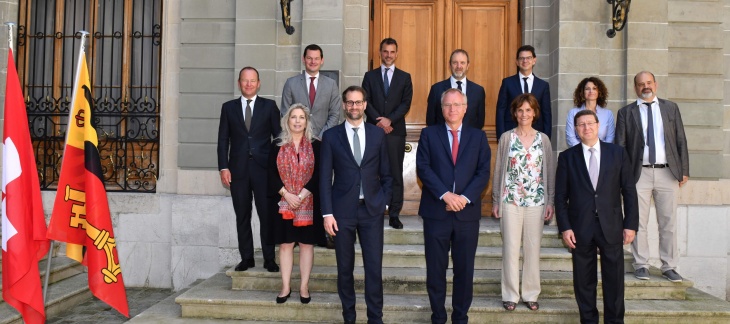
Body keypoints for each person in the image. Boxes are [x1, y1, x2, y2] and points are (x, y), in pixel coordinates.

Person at [555, 109, 639, 323]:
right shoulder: (567, 157)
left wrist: (631, 225)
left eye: (590, 123)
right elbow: (560, 197)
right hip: (580, 227)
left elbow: (628, 191)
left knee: (614, 280)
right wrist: (565, 228)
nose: (586, 128)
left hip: (611, 226)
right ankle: (589, 320)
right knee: (584, 281)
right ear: (576, 129)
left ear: (598, 125)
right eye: (581, 125)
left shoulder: (617, 153)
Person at [417, 88, 491, 324]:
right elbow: (424, 169)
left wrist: (464, 198)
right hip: (436, 213)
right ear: (442, 109)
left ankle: (460, 317)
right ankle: (438, 316)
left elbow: (483, 173)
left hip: (467, 215)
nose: (452, 109)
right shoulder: (429, 134)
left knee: (464, 271)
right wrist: (446, 195)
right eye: (448, 105)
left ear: (465, 108)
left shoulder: (478, 137)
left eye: (457, 105)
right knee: (436, 271)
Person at [320, 86, 392, 324]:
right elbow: (324, 178)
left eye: (358, 102)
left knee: (374, 269)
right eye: (349, 102)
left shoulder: (377, 134)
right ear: (343, 105)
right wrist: (327, 214)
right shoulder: (331, 137)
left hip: (371, 211)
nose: (354, 107)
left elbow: (387, 174)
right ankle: (348, 317)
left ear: (364, 105)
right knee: (345, 269)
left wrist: (384, 202)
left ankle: (375, 318)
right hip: (342, 213)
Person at [615, 71, 689, 283]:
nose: (645, 87)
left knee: (668, 222)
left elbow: (681, 140)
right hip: (639, 174)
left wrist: (684, 169)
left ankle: (670, 266)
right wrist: (622, 177)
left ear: (655, 84)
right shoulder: (626, 113)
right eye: (640, 84)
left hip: (668, 172)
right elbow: (620, 147)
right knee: (638, 221)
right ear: (635, 87)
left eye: (648, 83)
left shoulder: (670, 108)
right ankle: (641, 264)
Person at [491, 93, 555, 312]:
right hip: (511, 200)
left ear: (535, 113)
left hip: (536, 202)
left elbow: (549, 172)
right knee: (510, 248)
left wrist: (550, 201)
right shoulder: (506, 138)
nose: (524, 114)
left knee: (532, 249)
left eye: (528, 110)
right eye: (520, 110)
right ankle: (510, 294)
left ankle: (530, 293)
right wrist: (496, 200)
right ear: (515, 113)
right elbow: (499, 169)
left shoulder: (543, 139)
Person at [217, 66, 281, 272]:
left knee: (267, 215)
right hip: (238, 171)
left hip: (264, 171)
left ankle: (269, 258)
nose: (248, 84)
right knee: (242, 215)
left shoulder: (269, 106)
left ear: (258, 83)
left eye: (252, 80)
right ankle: (247, 258)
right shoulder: (228, 108)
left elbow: (279, 138)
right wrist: (223, 167)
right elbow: (222, 140)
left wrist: (275, 165)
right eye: (245, 80)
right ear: (239, 83)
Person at [267, 104, 326, 304]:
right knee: (285, 245)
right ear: (287, 120)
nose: (298, 121)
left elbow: (320, 173)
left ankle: (304, 287)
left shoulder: (316, 145)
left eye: (302, 117)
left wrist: (301, 194)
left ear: (307, 121)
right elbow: (270, 174)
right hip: (284, 204)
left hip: (309, 202)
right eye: (294, 117)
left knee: (306, 245)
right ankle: (285, 286)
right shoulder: (277, 145)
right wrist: (286, 194)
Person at [362, 37, 413, 229]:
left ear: (396, 54)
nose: (388, 55)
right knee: (371, 172)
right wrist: (380, 120)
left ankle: (394, 213)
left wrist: (389, 120)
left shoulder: (404, 77)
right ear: (380, 52)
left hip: (395, 132)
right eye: (385, 51)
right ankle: (373, 210)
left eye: (392, 52)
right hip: (373, 131)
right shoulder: (370, 76)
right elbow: (365, 101)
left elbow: (405, 103)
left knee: (394, 174)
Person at [281, 44, 342, 138]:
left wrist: (322, 136)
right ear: (303, 59)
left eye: (316, 58)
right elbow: (285, 113)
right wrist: (297, 135)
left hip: (323, 140)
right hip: (297, 140)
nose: (313, 62)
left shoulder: (331, 84)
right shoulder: (291, 83)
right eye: (309, 58)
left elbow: (335, 114)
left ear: (322, 60)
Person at [496, 45, 552, 139]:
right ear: (517, 62)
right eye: (521, 58)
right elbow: (500, 110)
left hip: (536, 135)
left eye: (528, 58)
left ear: (534, 60)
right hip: (511, 134)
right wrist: (501, 136)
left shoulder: (543, 86)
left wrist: (546, 138)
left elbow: (546, 113)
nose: (525, 61)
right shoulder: (507, 83)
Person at [425, 49, 486, 130]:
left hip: (470, 140)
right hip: (442, 140)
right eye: (455, 63)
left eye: (462, 63)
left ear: (468, 65)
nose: (459, 66)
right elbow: (430, 120)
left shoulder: (478, 91)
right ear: (450, 65)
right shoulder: (436, 89)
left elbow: (480, 121)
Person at [566, 77, 615, 147]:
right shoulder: (573, 113)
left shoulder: (608, 114)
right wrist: (584, 150)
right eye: (587, 89)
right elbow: (570, 137)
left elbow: (610, 138)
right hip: (579, 153)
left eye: (594, 88)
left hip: (602, 154)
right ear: (582, 92)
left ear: (599, 92)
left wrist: (599, 150)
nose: (591, 91)